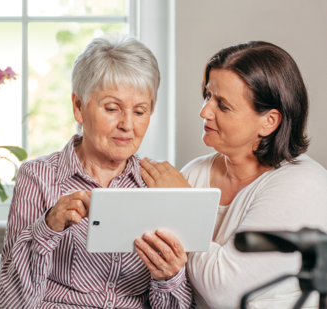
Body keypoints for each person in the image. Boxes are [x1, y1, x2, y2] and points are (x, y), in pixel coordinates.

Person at [0, 35, 192, 309]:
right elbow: (10, 303)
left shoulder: (159, 185)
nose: (127, 125)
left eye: (139, 111)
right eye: (112, 108)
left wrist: (169, 276)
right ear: (78, 107)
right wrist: (47, 228)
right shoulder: (37, 177)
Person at [139, 41, 327, 308]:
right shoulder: (195, 172)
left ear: (269, 121)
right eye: (207, 96)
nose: (204, 112)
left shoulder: (304, 184)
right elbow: (166, 278)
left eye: (223, 105)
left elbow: (224, 291)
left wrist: (181, 203)